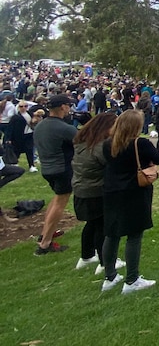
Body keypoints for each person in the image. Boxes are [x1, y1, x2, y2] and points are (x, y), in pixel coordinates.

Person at [101, 109, 159, 293]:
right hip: (134, 191)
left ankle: (110, 275)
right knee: (134, 235)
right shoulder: (140, 143)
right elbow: (158, 158)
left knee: (112, 233)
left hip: (112, 190)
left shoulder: (108, 144)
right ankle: (132, 279)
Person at [71, 112, 119, 274]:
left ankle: (86, 256)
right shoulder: (99, 146)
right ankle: (104, 262)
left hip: (81, 188)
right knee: (102, 227)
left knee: (91, 224)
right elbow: (111, 164)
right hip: (95, 191)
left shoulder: (82, 142)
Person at [33, 94, 78, 254]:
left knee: (57, 198)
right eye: (68, 105)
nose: (70, 108)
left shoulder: (40, 125)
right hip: (62, 169)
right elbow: (83, 141)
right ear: (62, 107)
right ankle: (45, 244)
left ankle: (46, 233)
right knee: (60, 202)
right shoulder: (64, 128)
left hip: (47, 168)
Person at [7, 101, 37, 172]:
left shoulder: (30, 114)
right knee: (17, 150)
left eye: (25, 106)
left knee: (29, 151)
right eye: (21, 106)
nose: (23, 108)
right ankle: (15, 163)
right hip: (18, 137)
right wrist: (8, 138)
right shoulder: (15, 117)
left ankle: (31, 165)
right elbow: (10, 128)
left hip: (29, 135)